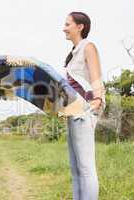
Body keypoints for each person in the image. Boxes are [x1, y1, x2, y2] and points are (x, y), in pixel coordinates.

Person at [63, 12, 105, 200]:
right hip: (73, 112)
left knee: (86, 167)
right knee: (76, 167)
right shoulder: (73, 54)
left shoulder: (88, 47)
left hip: (85, 111)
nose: (64, 28)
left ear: (80, 27)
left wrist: (97, 101)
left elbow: (96, 78)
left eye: (67, 24)